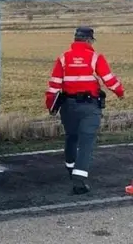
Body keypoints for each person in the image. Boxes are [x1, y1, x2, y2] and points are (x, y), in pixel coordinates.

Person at [44, 26, 124, 195]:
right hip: (89, 107)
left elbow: (54, 85)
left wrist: (50, 105)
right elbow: (109, 80)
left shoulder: (63, 58)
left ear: (75, 39)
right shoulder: (95, 57)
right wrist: (119, 92)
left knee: (71, 137)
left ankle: (71, 168)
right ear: (89, 40)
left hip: (68, 106)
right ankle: (79, 181)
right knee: (86, 142)